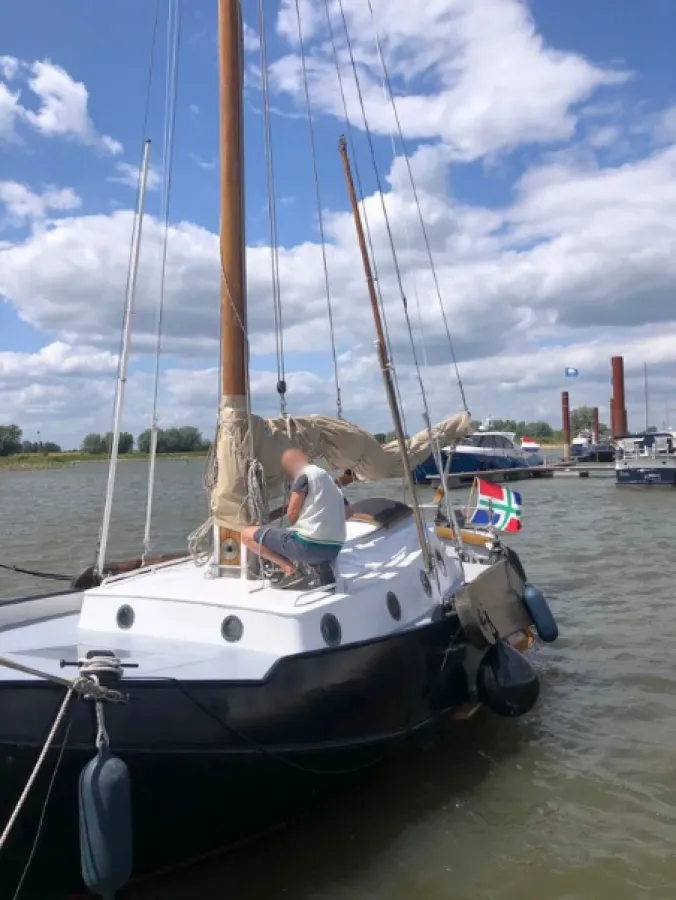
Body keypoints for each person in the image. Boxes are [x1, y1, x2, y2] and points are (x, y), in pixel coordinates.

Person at [241, 449, 351, 588]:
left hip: (308, 547)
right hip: (333, 550)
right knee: (315, 540)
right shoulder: (330, 482)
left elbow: (292, 511)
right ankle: (323, 574)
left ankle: (289, 569)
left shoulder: (305, 475)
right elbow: (349, 513)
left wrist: (296, 528)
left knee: (246, 534)